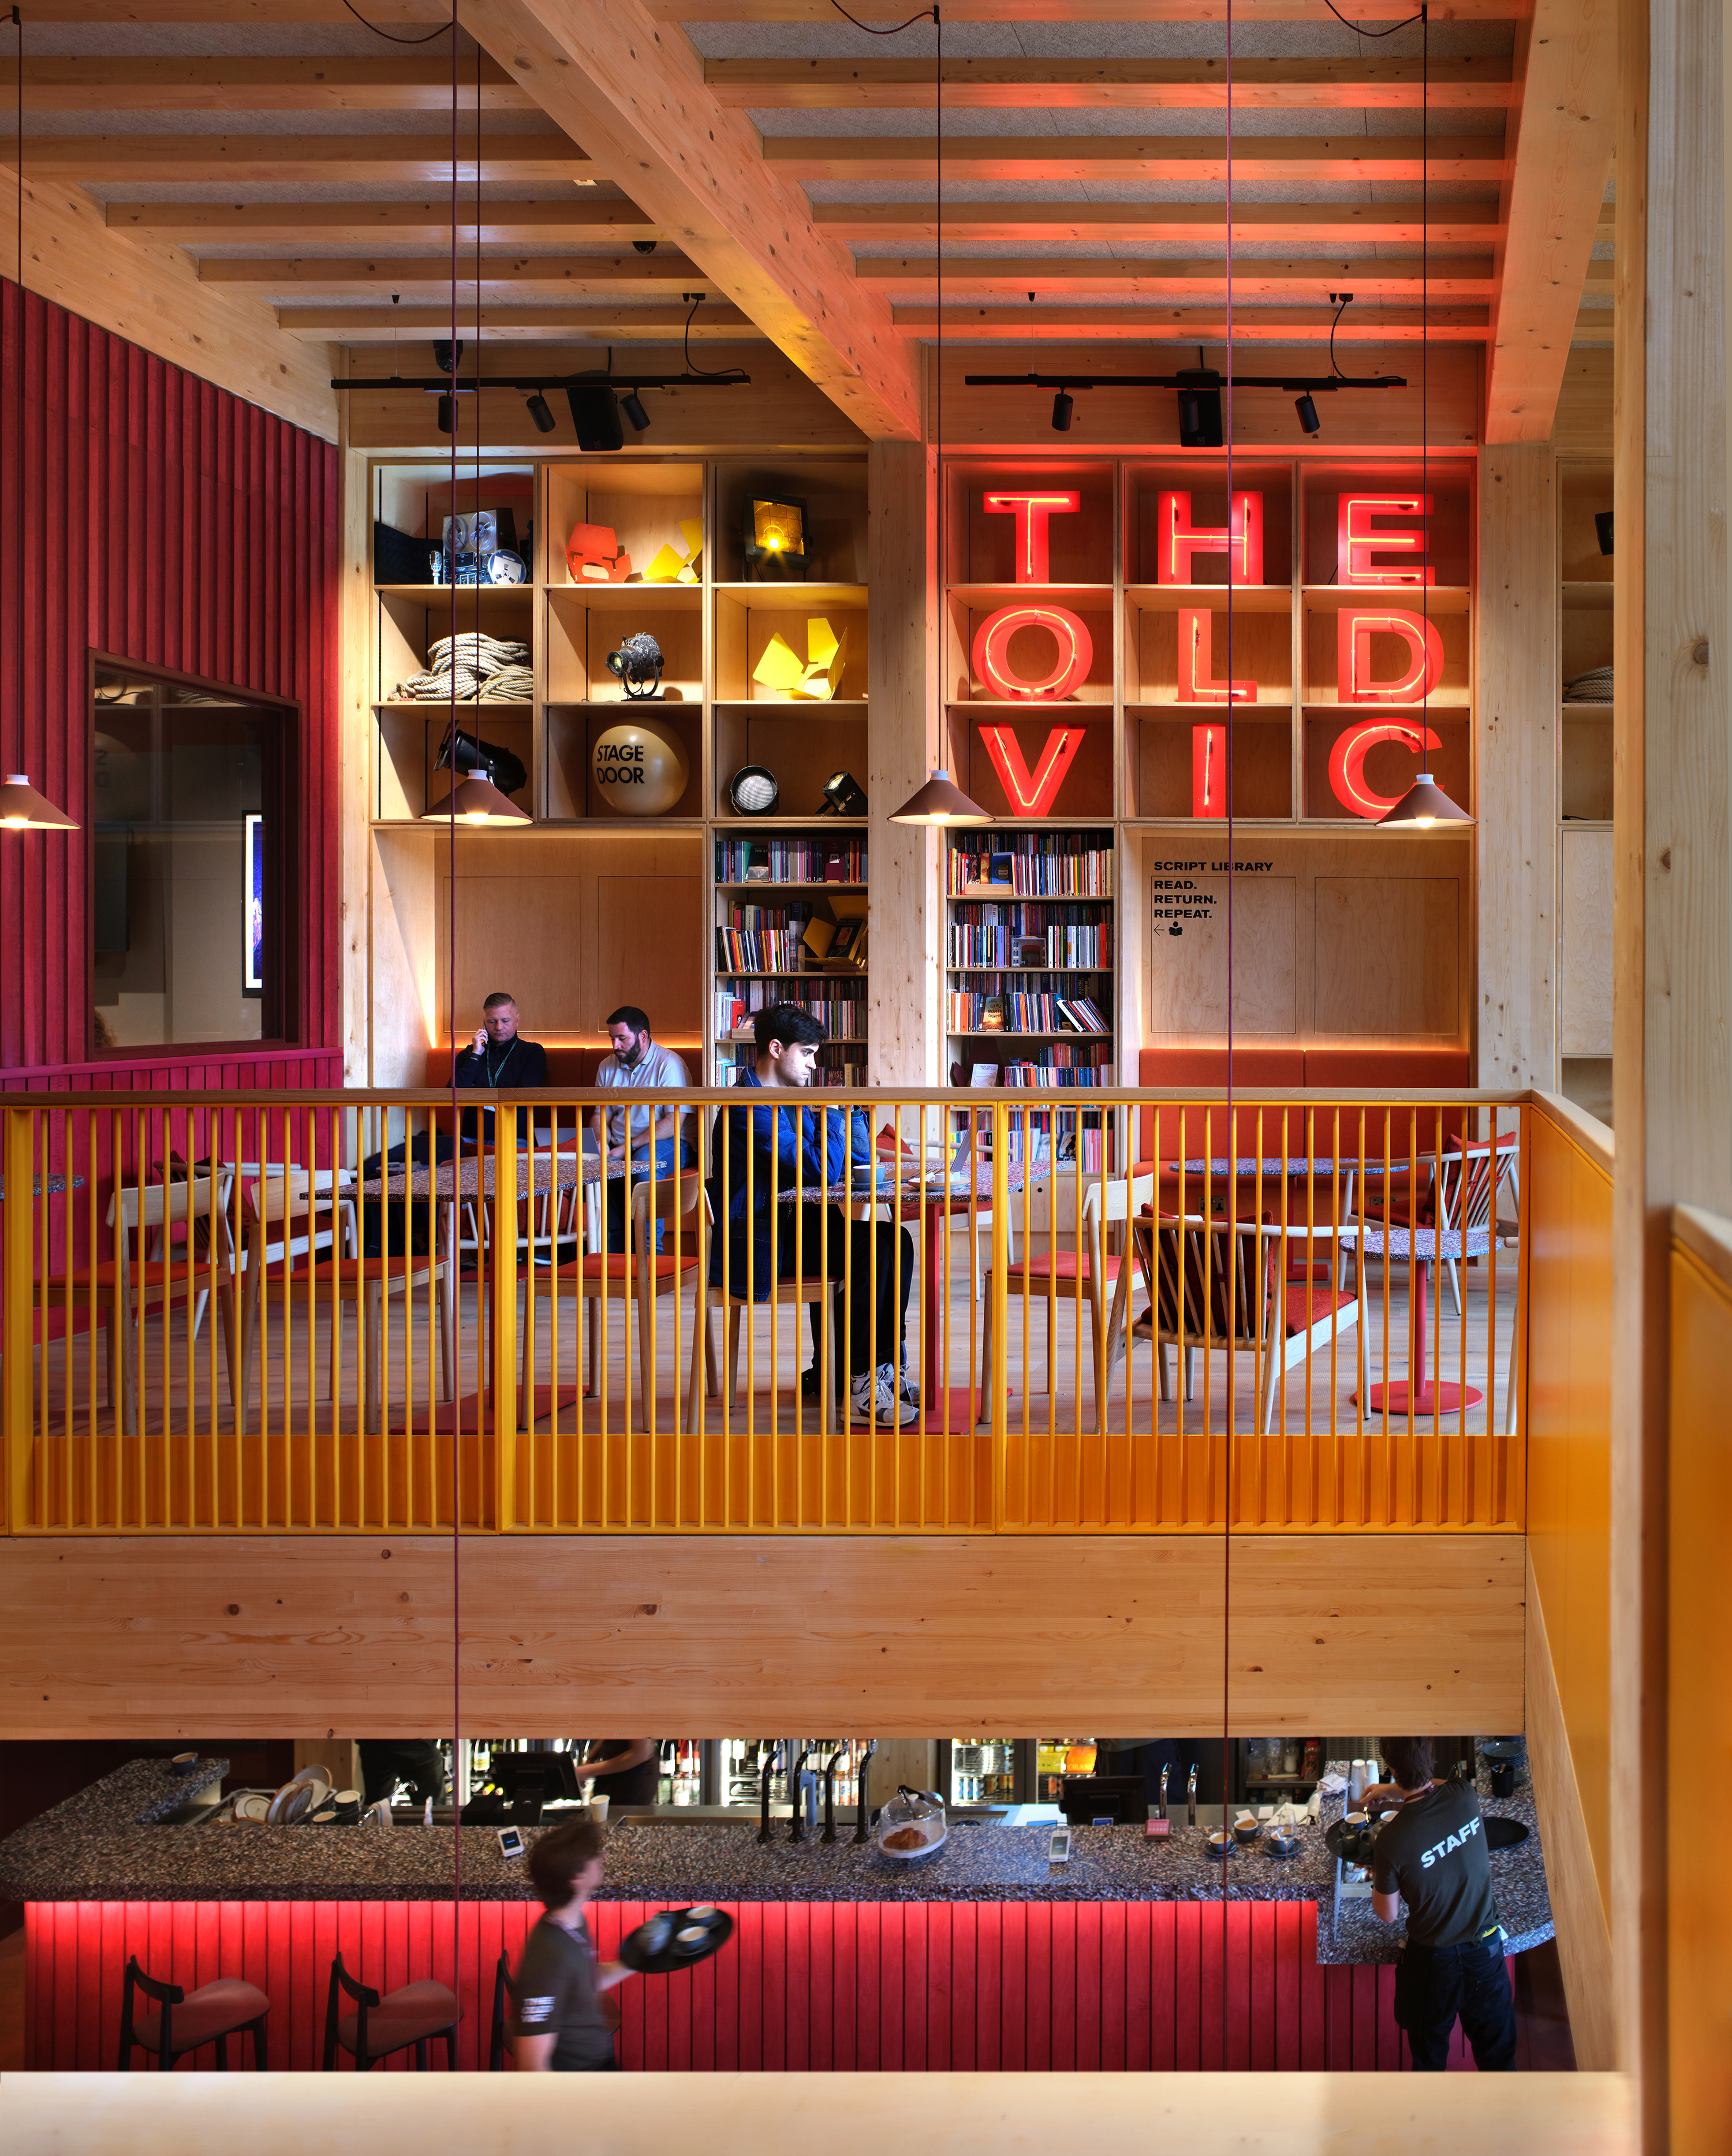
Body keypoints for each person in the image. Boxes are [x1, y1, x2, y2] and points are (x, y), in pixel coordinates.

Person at [707, 1002, 916, 1429]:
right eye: (808, 1053)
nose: (814, 1064)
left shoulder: (791, 1102)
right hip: (761, 1242)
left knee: (895, 1240)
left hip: (797, 1227)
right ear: (777, 1048)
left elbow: (846, 1160)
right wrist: (835, 1115)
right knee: (869, 1251)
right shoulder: (748, 1108)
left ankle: (873, 1368)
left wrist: (840, 1115)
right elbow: (822, 1168)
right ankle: (859, 1380)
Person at [1366, 1735, 1517, 2072]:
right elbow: (1440, 1785)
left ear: (1391, 1769)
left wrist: (1382, 1871)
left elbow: (1387, 1915)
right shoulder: (1464, 1795)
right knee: (1499, 2061)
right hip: (1487, 1950)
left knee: (1429, 2065)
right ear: (1431, 1758)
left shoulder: (1391, 1841)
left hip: (1434, 1964)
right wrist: (1395, 1790)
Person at [510, 1818, 638, 2071]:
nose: (601, 1856)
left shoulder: (572, 1922)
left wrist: (639, 1961)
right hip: (578, 2082)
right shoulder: (548, 1957)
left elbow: (584, 1981)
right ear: (577, 1877)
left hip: (598, 2067)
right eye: (593, 1854)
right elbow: (531, 2064)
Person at [593, 1006, 692, 1254]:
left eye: (622, 1038)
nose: (615, 1045)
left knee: (643, 1162)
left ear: (643, 1036)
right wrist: (603, 1144)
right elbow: (599, 1114)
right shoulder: (607, 1066)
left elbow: (672, 1123)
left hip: (670, 1143)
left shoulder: (669, 1064)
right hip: (618, 1143)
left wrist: (627, 1147)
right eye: (611, 1039)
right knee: (588, 1164)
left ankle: (650, 1253)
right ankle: (609, 1252)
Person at [456, 991, 548, 1147]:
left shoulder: (532, 1052)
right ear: (484, 1022)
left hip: (515, 1139)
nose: (499, 1027)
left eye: (505, 1021)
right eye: (492, 1021)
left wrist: (475, 1094)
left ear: (517, 1021)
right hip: (471, 1139)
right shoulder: (469, 1054)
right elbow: (453, 1094)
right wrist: (476, 1054)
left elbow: (522, 1097)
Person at [357, 1738, 446, 1810]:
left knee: (376, 1806)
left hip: (371, 1736)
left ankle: (372, 1829)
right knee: (430, 1807)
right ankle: (430, 1831)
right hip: (410, 1738)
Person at [574, 1739, 659, 1808]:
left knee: (621, 1825)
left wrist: (586, 1771)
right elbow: (610, 1732)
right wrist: (590, 1760)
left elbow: (641, 1753)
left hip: (633, 1780)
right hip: (613, 1775)